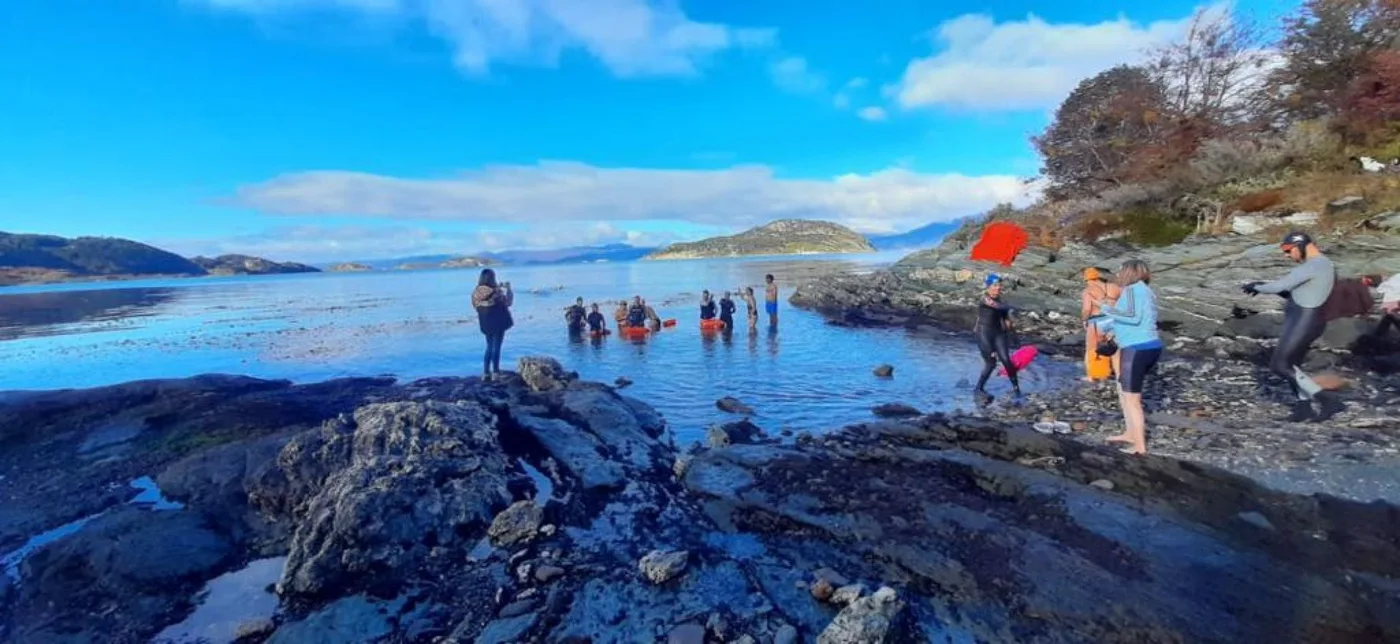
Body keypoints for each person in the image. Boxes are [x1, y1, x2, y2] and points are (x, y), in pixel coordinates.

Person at [1242, 231, 1345, 422]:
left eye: (1288, 250)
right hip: (1304, 319)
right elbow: (1295, 294)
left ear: (1301, 245)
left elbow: (1278, 286)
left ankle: (1327, 399)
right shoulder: (1320, 265)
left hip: (1305, 321)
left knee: (1280, 365)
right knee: (1293, 367)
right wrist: (1264, 286)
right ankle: (1303, 409)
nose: (1287, 255)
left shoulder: (1316, 264)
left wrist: (1256, 286)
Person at [1096, 260, 1162, 455]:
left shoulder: (1133, 290)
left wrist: (1105, 308)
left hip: (1137, 347)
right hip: (1148, 345)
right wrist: (1111, 330)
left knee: (1132, 398)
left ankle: (1139, 446)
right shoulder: (1146, 291)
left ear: (1130, 272)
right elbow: (1137, 318)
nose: (1118, 273)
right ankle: (1129, 433)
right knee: (1124, 391)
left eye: (1121, 270)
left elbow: (1132, 316)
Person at [973, 274, 1021, 401]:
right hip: (984, 333)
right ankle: (978, 388)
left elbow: (1005, 318)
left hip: (999, 333)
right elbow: (998, 307)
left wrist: (1012, 332)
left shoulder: (1001, 301)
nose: (998, 288)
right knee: (991, 362)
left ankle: (1016, 389)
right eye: (995, 285)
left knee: (1006, 360)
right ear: (988, 287)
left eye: (999, 285)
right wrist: (1013, 307)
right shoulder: (984, 299)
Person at [1080, 267, 1121, 382]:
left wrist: (1084, 320)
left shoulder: (1088, 291)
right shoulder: (1115, 287)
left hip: (1097, 321)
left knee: (1091, 348)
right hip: (1114, 320)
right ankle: (1119, 375)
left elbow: (1087, 309)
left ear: (1086, 279)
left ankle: (1092, 376)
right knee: (1114, 348)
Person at [472, 268, 513, 380]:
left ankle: (486, 373)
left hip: (485, 324)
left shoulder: (476, 292)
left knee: (489, 346)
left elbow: (476, 307)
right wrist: (509, 289)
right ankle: (495, 372)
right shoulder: (496, 291)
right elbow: (508, 302)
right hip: (498, 322)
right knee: (497, 347)